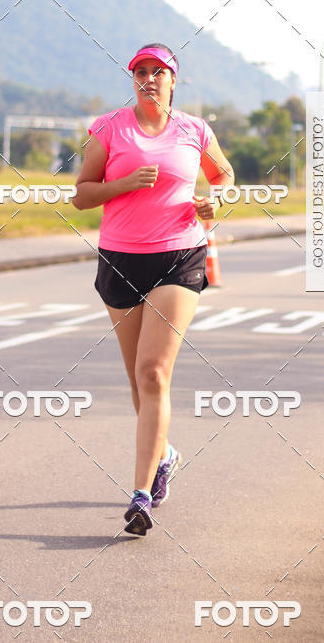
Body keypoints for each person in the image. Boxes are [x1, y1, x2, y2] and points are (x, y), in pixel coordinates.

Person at [73, 44, 234, 535]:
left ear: (172, 80)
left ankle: (140, 494)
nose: (147, 79)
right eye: (140, 72)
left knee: (154, 373)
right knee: (137, 382)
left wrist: (216, 202)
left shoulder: (194, 129)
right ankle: (164, 455)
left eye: (157, 72)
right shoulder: (109, 128)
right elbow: (81, 195)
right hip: (120, 259)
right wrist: (124, 184)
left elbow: (223, 175)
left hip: (179, 259)